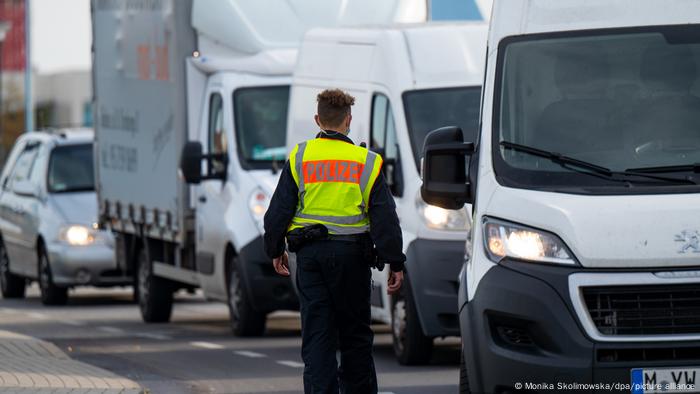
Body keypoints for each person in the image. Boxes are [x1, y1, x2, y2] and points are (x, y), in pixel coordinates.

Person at [263, 89, 406, 393]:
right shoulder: (367, 161)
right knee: (355, 336)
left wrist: (275, 250)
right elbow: (385, 219)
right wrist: (396, 261)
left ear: (318, 119)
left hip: (311, 258)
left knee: (317, 336)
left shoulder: (300, 157)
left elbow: (277, 213)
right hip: (353, 259)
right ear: (348, 121)